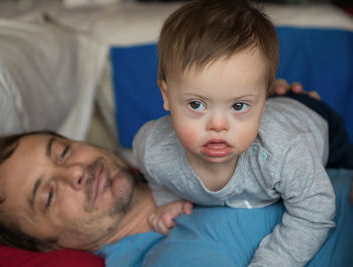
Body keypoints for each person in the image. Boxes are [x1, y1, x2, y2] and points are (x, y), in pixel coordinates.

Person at [132, 0, 353, 266]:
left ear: (263, 100)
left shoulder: (285, 151)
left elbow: (315, 212)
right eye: (196, 104)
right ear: (166, 95)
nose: (217, 125)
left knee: (342, 188)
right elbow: (157, 178)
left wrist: (272, 261)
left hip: (314, 123)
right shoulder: (153, 148)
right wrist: (167, 202)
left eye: (238, 106)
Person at [0, 130, 353, 267]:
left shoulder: (179, 148)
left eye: (64, 152)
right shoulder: (170, 257)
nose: (75, 172)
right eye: (49, 195)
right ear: (46, 244)